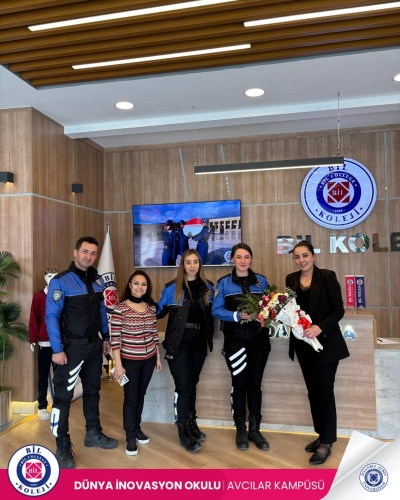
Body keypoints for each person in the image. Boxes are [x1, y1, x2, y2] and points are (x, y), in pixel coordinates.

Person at [45, 236, 118, 469]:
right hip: (70, 348)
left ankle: (93, 433)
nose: (89, 256)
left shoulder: (98, 280)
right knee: (63, 398)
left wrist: (106, 337)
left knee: (93, 391)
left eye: (93, 253)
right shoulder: (60, 281)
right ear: (75, 252)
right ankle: (62, 445)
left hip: (94, 346)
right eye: (85, 251)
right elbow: (51, 316)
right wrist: (57, 350)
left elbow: (102, 311)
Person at [286, 241, 349, 466]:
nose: (301, 260)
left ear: (313, 256)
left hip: (326, 345)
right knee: (313, 393)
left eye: (305, 255)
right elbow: (291, 310)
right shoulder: (291, 279)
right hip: (304, 345)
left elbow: (338, 310)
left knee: (324, 392)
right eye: (297, 257)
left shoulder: (327, 276)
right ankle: (321, 434)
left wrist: (319, 327)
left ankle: (327, 443)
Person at [212, 243, 270, 452]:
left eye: (246, 257)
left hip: (259, 341)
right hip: (235, 341)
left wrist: (267, 315)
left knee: (255, 384)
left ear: (251, 259)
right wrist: (236, 316)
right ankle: (241, 430)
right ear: (233, 259)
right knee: (239, 384)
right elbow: (215, 310)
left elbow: (269, 307)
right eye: (239, 257)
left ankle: (255, 430)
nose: (243, 261)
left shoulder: (262, 281)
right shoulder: (224, 283)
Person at [157, 249, 214, 453]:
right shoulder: (171, 288)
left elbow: (215, 312)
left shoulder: (208, 287)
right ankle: (183, 430)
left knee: (192, 384)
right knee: (183, 387)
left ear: (200, 264)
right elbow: (157, 312)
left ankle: (191, 423)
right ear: (182, 265)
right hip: (178, 344)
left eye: (195, 262)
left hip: (198, 343)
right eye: (188, 262)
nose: (192, 266)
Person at [111, 270, 162, 456]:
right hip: (130, 361)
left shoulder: (151, 308)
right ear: (130, 285)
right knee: (131, 398)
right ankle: (130, 435)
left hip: (149, 360)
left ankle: (137, 427)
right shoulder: (120, 309)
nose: (140, 287)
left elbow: (154, 334)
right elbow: (115, 340)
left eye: (144, 284)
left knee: (141, 395)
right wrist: (118, 365)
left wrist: (157, 356)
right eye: (136, 283)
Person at [29, 267, 59, 420]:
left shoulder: (61, 295)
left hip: (60, 343)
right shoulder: (39, 297)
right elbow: (34, 318)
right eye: (49, 276)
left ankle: (58, 404)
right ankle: (42, 405)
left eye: (55, 276)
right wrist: (32, 338)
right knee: (43, 376)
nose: (52, 278)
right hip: (44, 342)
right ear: (44, 278)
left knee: (59, 376)